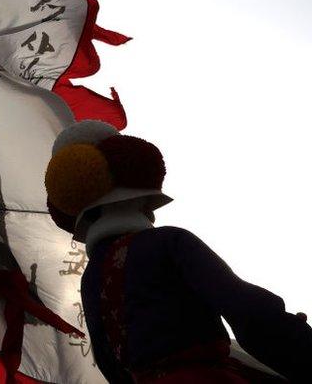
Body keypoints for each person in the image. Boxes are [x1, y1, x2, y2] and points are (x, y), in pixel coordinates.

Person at [44, 120, 312, 383]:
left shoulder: (91, 278)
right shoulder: (168, 241)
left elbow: (108, 363)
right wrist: (298, 344)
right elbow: (247, 312)